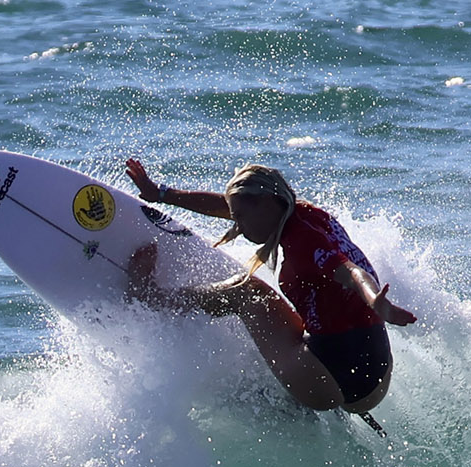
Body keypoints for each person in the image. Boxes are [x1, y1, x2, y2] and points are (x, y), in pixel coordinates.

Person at [122, 157, 416, 419]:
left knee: (247, 291)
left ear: (265, 203)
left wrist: (376, 300)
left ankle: (155, 299)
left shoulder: (303, 241)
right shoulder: (304, 213)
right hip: (374, 379)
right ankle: (305, 397)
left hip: (329, 377)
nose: (237, 226)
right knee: (304, 315)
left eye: (239, 218)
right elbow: (230, 205)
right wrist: (161, 194)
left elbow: (351, 272)